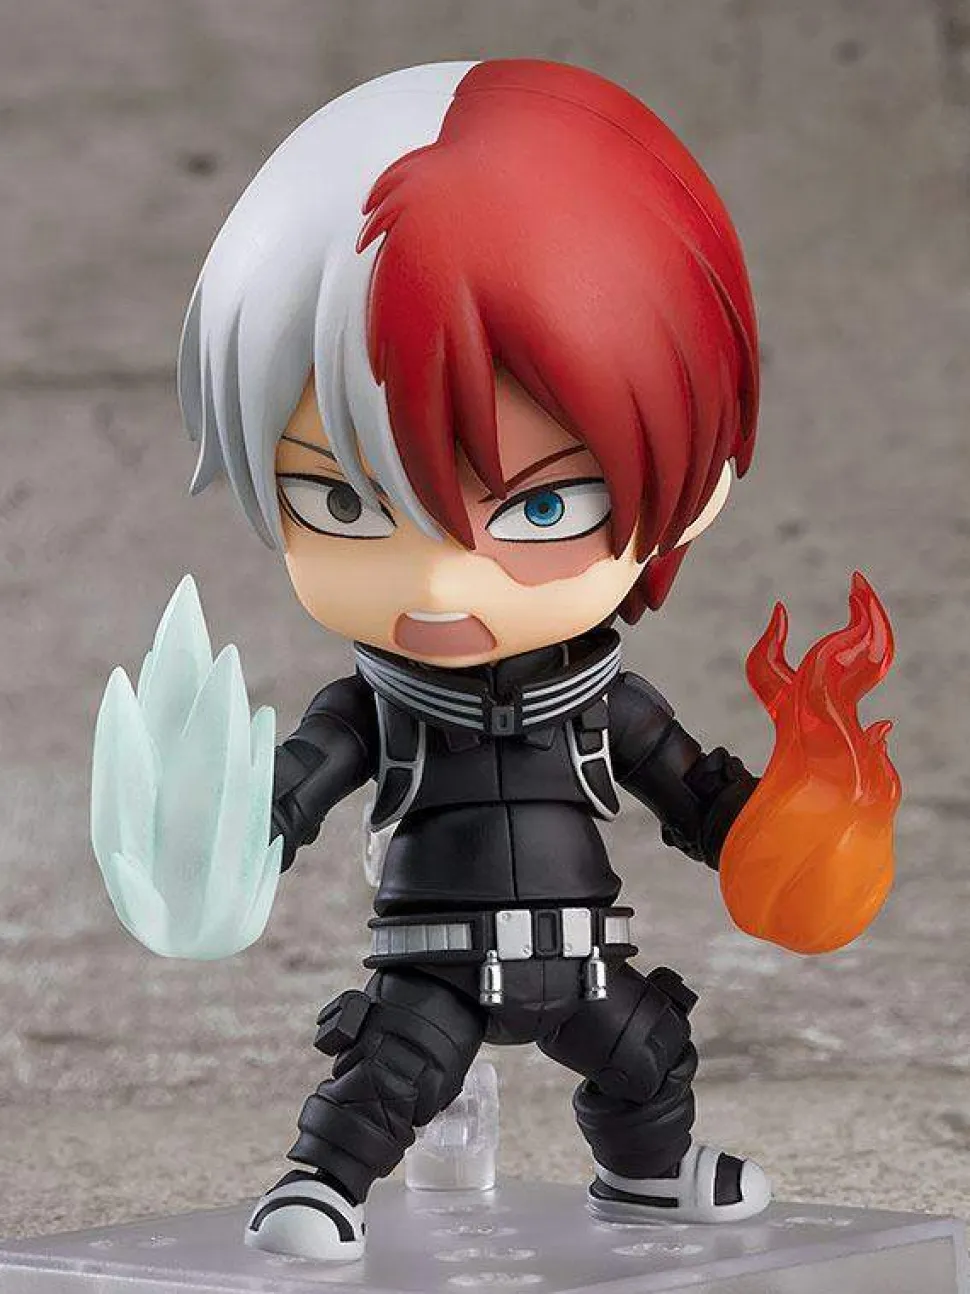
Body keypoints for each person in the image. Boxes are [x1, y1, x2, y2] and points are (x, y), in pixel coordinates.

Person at [176, 59, 894, 1263]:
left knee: (649, 1055)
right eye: (343, 501)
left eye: (539, 508)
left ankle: (647, 1176)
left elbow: (696, 793)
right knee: (389, 1076)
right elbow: (295, 785)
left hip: (580, 955)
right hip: (434, 965)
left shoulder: (606, 701)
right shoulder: (375, 707)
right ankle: (320, 1184)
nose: (443, 583)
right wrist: (230, 836)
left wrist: (786, 835)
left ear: (693, 482)